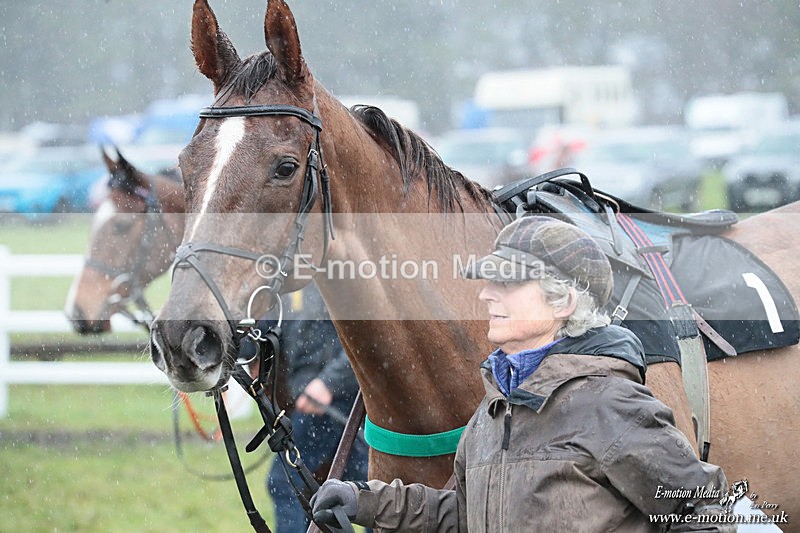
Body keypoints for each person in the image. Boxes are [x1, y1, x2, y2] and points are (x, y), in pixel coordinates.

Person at [311, 215, 734, 532]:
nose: (485, 293)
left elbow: (706, 509)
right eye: (489, 280)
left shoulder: (611, 405)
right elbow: (467, 513)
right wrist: (363, 501)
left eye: (508, 283)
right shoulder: (494, 408)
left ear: (563, 302)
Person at [241, 283, 369, 533]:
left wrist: (327, 384)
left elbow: (365, 340)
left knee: (285, 483)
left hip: (339, 405)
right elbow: (260, 333)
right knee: (362, 492)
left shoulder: (337, 283)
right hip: (321, 406)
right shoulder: (286, 286)